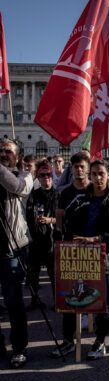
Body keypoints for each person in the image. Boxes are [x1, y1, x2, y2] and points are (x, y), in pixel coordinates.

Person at [51, 160, 109, 360]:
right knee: (70, 300)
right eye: (94, 174)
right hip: (78, 258)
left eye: (101, 173)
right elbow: (67, 222)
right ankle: (68, 341)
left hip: (102, 261)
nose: (98, 178)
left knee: (101, 305)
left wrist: (96, 240)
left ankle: (100, 341)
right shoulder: (80, 198)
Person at [0, 138, 33, 368]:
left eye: (7, 151)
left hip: (12, 248)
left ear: (17, 157)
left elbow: (17, 188)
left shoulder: (24, 177)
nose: (3, 154)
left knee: (14, 302)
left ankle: (19, 347)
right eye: (0, 151)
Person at [25, 159, 59, 311]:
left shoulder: (57, 195)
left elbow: (64, 219)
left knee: (53, 274)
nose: (46, 178)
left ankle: (57, 300)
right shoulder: (33, 195)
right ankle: (34, 299)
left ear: (52, 177)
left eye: (48, 175)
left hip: (51, 240)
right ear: (38, 178)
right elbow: (27, 215)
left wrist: (50, 220)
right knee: (33, 273)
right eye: (43, 176)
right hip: (36, 240)